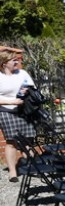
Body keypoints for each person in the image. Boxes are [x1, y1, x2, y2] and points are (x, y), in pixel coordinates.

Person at [0, 46, 35, 182]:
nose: (17, 62)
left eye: (17, 59)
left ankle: (32, 167)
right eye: (13, 60)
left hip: (24, 110)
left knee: (28, 140)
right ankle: (13, 173)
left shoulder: (22, 73)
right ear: (4, 63)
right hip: (6, 111)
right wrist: (12, 101)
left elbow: (32, 88)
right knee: (11, 141)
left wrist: (27, 93)